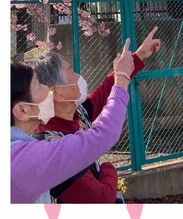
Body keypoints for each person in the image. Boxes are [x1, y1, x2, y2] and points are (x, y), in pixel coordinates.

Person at [31, 27, 161, 203]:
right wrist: (108, 168)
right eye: (70, 71)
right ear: (58, 94)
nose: (78, 75)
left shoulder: (78, 113)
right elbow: (101, 199)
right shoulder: (52, 147)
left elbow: (105, 89)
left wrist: (140, 55)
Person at [11, 39, 134, 203]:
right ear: (22, 110)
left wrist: (135, 60)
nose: (49, 90)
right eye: (39, 86)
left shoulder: (79, 113)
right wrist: (122, 78)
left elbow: (102, 94)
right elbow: (103, 135)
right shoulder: (28, 157)